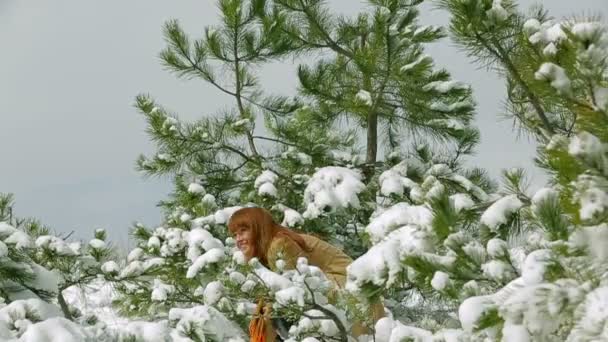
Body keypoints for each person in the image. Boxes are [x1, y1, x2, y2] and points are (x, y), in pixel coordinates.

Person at [227, 207, 383, 341]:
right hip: (341, 296)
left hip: (350, 297)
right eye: (235, 235)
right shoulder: (269, 251)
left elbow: (295, 290)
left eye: (243, 231)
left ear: (259, 228)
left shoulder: (279, 244)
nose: (238, 239)